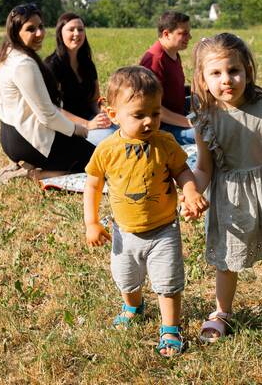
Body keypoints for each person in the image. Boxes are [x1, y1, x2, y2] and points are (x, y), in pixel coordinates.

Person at [187, 33, 262, 344]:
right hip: (230, 196)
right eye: (216, 73)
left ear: (248, 70)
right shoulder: (205, 119)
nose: (226, 79)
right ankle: (222, 311)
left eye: (234, 71)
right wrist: (192, 191)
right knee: (228, 258)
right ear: (202, 78)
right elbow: (204, 167)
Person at [83, 66, 208, 357]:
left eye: (155, 113)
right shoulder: (106, 149)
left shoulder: (165, 143)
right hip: (124, 233)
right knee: (126, 278)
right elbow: (92, 185)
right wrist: (91, 222)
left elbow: (182, 171)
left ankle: (170, 329)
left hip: (164, 229)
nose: (149, 121)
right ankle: (133, 305)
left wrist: (189, 191)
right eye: (138, 115)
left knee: (168, 282)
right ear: (113, 114)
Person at [0, 3, 93, 181]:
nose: (39, 33)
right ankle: (36, 174)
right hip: (28, 141)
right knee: (96, 163)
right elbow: (47, 116)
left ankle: (31, 166)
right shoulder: (23, 64)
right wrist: (78, 129)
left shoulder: (8, 53)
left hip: (11, 137)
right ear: (16, 32)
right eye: (31, 29)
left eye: (41, 26)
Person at [44, 12, 115, 146]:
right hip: (67, 129)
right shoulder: (52, 66)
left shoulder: (87, 64)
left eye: (80, 29)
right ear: (60, 33)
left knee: (122, 132)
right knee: (110, 141)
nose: (77, 33)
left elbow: (94, 100)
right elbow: (52, 108)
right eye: (71, 29)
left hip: (90, 120)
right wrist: (88, 124)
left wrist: (104, 115)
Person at [139, 11, 195, 144]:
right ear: (166, 34)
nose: (190, 37)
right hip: (162, 127)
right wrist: (189, 122)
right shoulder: (154, 61)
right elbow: (151, 107)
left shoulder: (173, 53)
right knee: (210, 134)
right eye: (184, 33)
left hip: (178, 114)